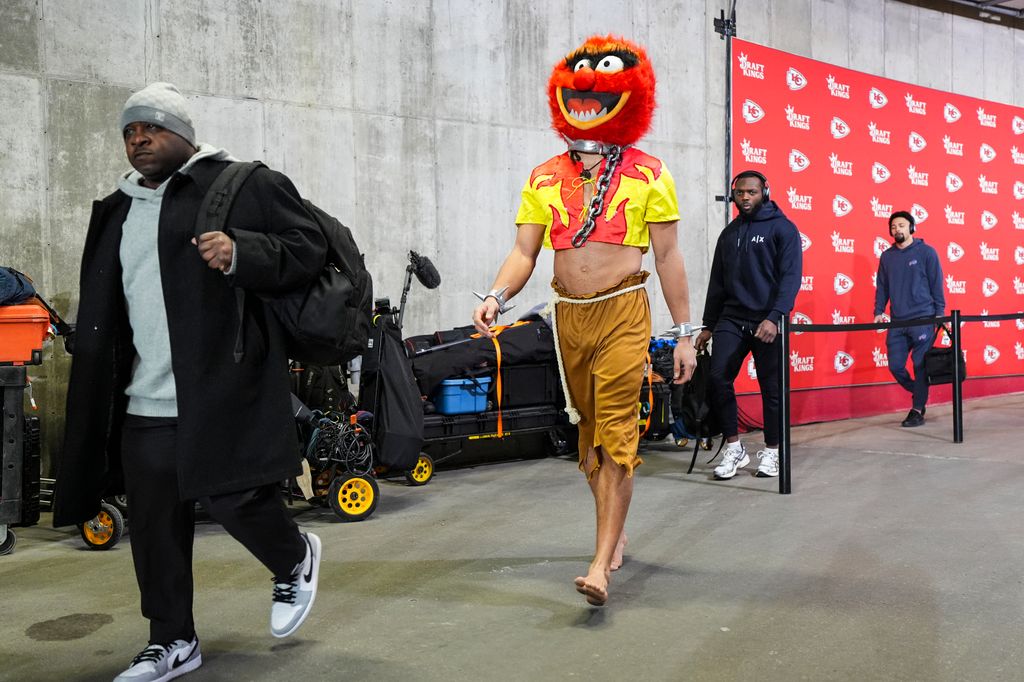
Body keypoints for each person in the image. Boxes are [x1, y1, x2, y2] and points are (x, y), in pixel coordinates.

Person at [51, 82, 326, 682]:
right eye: (129, 131)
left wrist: (243, 250)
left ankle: (294, 556)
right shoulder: (116, 210)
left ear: (183, 132)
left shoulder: (242, 186)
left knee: (235, 496)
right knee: (152, 524)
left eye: (151, 127)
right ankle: (172, 639)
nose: (138, 138)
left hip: (220, 385)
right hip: (143, 396)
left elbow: (310, 247)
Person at [472, 36, 697, 607]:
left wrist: (685, 334)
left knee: (618, 430)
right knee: (590, 438)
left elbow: (668, 258)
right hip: (568, 318)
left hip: (624, 312)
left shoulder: (650, 173)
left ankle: (599, 564)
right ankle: (613, 530)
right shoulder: (545, 175)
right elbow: (524, 253)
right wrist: (496, 295)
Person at [694, 171, 802, 480]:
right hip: (732, 317)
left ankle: (772, 451)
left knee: (771, 388)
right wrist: (708, 324)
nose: (745, 197)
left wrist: (775, 316)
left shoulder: (783, 228)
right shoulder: (729, 233)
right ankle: (734, 449)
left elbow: (791, 278)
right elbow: (717, 282)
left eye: (752, 192)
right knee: (717, 378)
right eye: (740, 192)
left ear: (765, 191)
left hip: (767, 319)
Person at [873, 210, 945, 427]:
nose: (897, 230)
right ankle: (919, 392)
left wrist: (940, 313)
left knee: (919, 364)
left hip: (923, 317)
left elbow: (936, 282)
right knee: (895, 365)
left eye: (902, 225)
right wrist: (878, 311)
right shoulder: (887, 256)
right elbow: (882, 286)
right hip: (897, 320)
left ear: (912, 227)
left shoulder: (927, 252)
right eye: (894, 227)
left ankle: (916, 410)